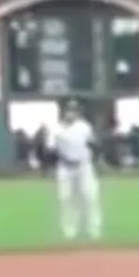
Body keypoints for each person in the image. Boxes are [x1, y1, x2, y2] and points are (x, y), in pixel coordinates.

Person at [48, 102, 103, 242]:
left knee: (91, 197)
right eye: (69, 110)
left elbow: (93, 144)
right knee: (66, 198)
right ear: (63, 112)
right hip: (65, 167)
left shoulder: (84, 127)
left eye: (74, 111)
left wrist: (97, 159)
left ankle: (94, 229)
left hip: (84, 166)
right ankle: (69, 231)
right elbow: (50, 150)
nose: (71, 113)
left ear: (78, 113)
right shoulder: (55, 129)